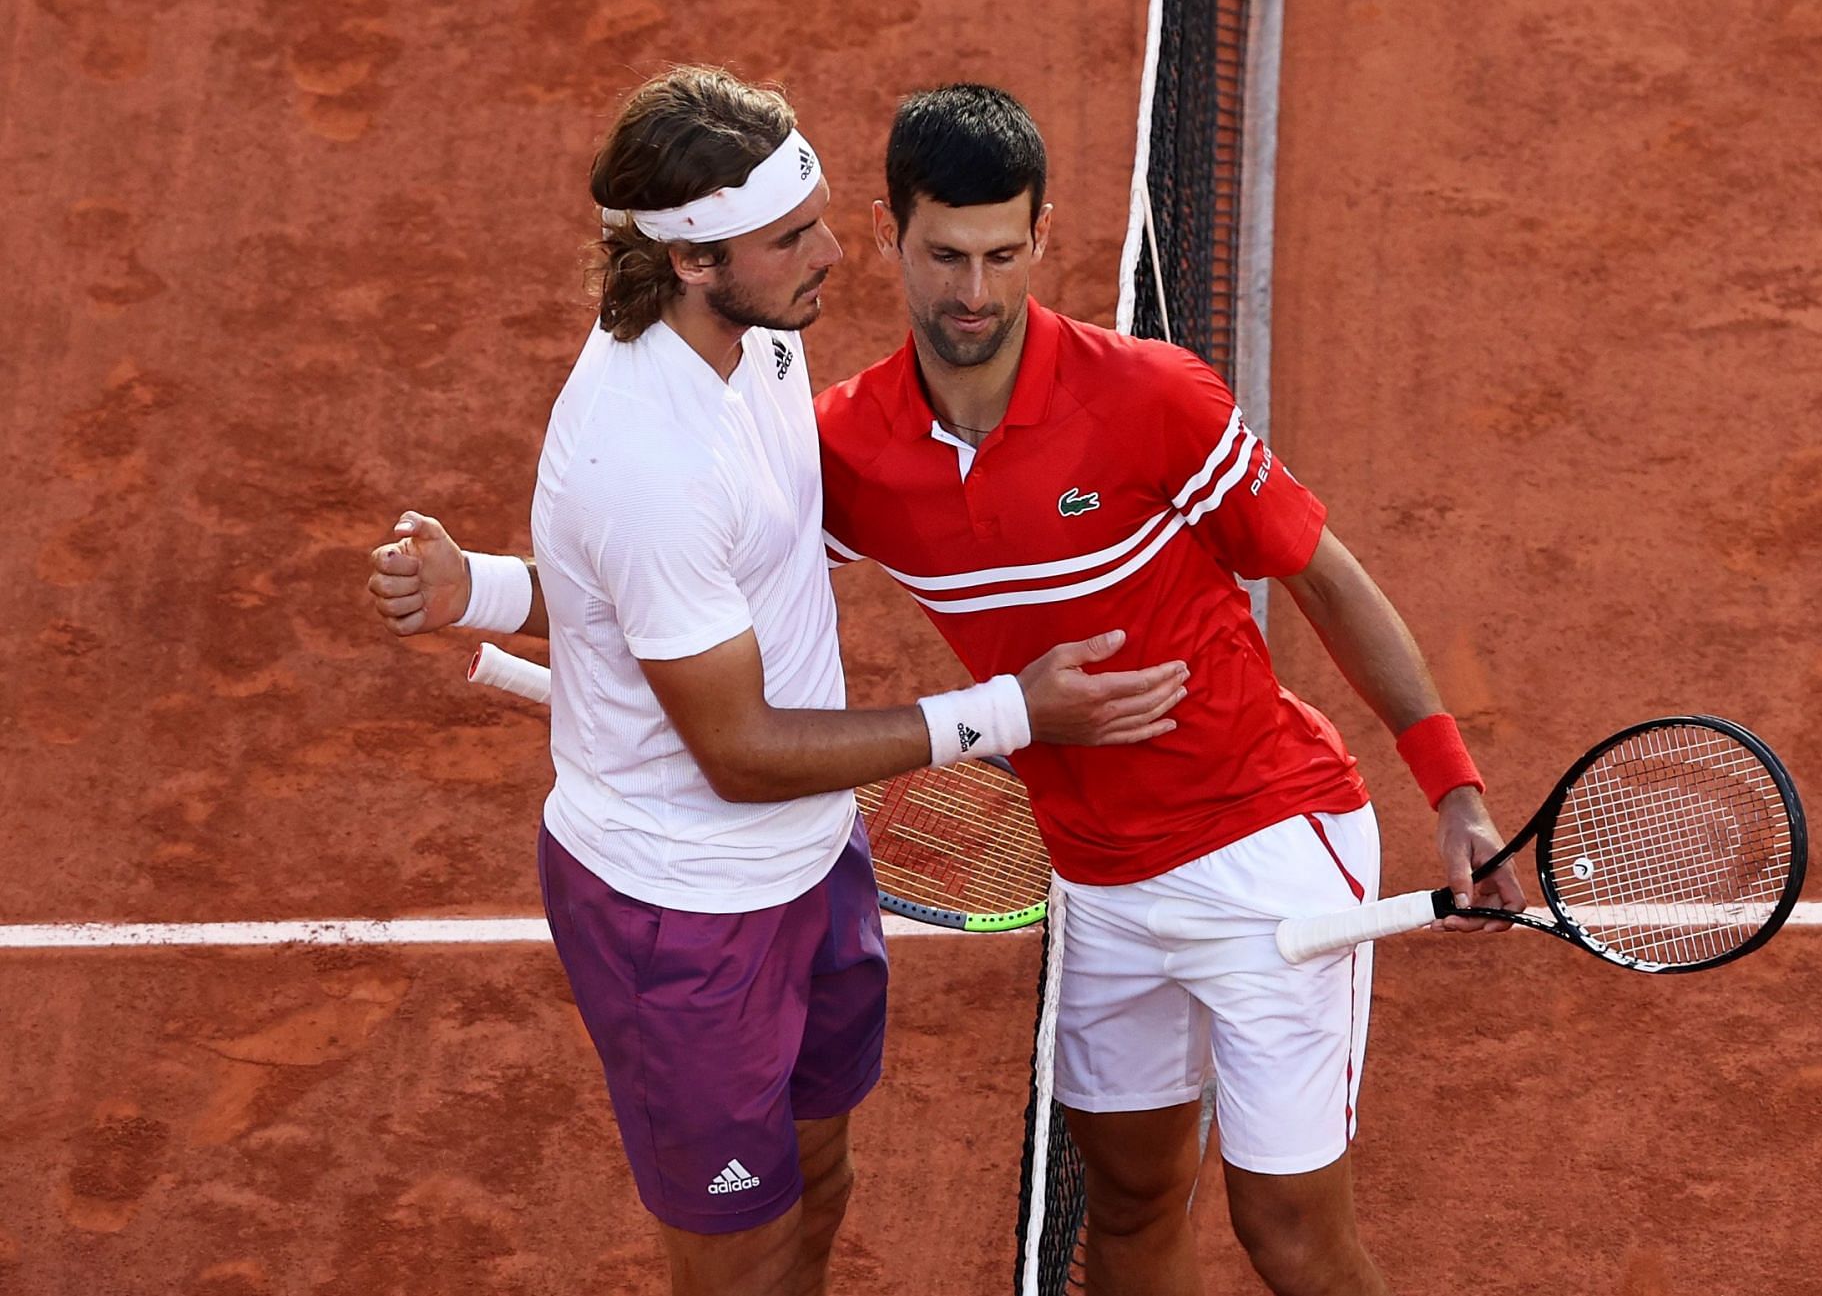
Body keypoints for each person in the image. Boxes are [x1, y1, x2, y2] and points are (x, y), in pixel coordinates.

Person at [373, 80, 1525, 1296]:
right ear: (890, 236)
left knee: (1291, 1239)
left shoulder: (1146, 399)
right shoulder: (842, 445)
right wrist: (489, 593)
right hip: (1094, 880)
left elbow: (1325, 578)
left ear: (1043, 238)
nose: (973, 294)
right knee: (1128, 1204)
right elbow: (669, 579)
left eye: (1002, 255)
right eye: (941, 256)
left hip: (1262, 845)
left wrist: (1453, 788)